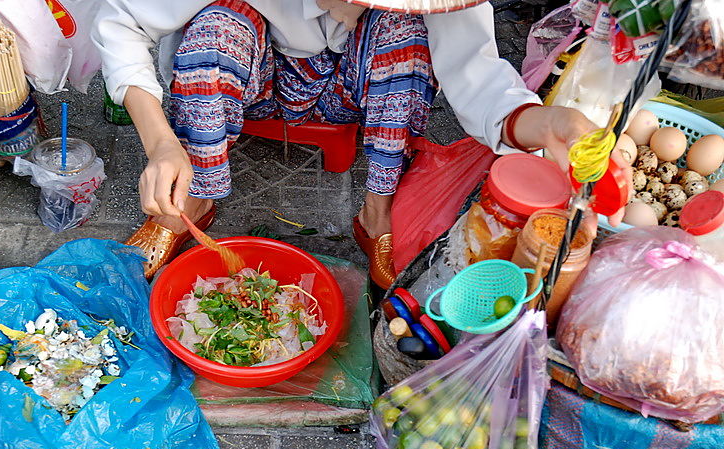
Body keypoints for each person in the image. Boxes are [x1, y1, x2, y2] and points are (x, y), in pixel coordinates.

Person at [92, 0, 623, 288]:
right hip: (258, 76)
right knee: (214, 29)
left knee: (404, 35)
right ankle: (193, 199)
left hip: (352, 85)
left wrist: (542, 122)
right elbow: (121, 20)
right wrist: (162, 143)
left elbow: (476, 75)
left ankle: (376, 209)